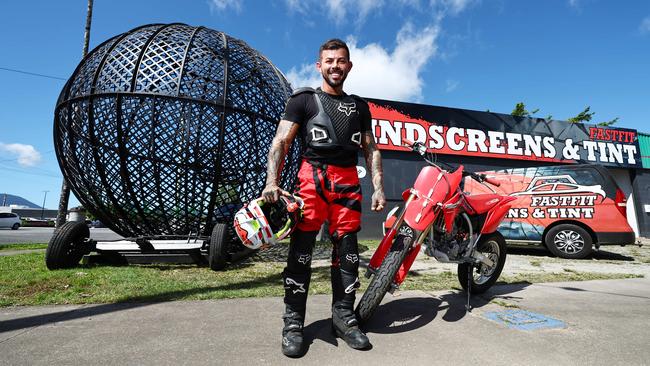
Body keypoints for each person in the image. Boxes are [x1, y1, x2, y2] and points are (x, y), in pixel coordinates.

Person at [262, 38, 385, 357]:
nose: (335, 66)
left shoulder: (360, 106)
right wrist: (271, 182)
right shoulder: (303, 99)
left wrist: (379, 186)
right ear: (319, 65)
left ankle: (344, 319)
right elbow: (280, 142)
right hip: (311, 178)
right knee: (301, 252)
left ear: (349, 65)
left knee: (348, 253)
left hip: (347, 181)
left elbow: (371, 149)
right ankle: (292, 324)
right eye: (329, 61)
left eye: (341, 60)